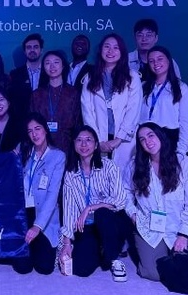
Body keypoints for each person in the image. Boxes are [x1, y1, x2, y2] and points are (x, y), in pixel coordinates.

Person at [60, 125, 128, 281]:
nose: (84, 145)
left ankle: (114, 258)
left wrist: (91, 207)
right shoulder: (71, 173)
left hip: (111, 222)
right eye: (79, 140)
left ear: (96, 145)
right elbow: (69, 208)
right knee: (80, 269)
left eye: (89, 140)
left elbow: (120, 199)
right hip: (88, 226)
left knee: (102, 213)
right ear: (74, 144)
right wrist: (67, 242)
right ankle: (100, 248)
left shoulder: (109, 166)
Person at [124, 122, 188, 281]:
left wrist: (183, 234)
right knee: (153, 273)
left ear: (160, 136)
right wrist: (133, 214)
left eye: (151, 135)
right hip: (149, 228)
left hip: (178, 226)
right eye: (142, 139)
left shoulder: (183, 163)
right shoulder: (135, 165)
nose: (148, 141)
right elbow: (124, 192)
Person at [12, 112, 65, 275]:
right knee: (23, 267)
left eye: (37, 128)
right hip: (23, 213)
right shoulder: (23, 150)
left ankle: (37, 243)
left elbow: (52, 195)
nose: (34, 134)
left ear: (45, 130)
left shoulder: (57, 156)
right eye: (30, 131)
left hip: (43, 215)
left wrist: (37, 226)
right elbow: (4, 169)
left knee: (45, 268)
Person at [81, 33, 142, 173]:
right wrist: (96, 140)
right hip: (99, 138)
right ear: (100, 50)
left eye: (116, 48)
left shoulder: (132, 77)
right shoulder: (90, 77)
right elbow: (87, 111)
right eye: (107, 47)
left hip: (124, 139)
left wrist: (118, 139)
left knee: (125, 179)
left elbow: (133, 110)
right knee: (99, 177)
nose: (110, 51)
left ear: (122, 52)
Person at [30, 50, 81, 154]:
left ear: (63, 66)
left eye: (56, 62)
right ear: (43, 68)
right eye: (47, 63)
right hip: (42, 145)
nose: (52, 66)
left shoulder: (73, 93)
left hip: (67, 145)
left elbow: (78, 122)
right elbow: (31, 122)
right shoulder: (37, 94)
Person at [140, 46, 188, 156]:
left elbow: (185, 122)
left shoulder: (181, 88)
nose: (155, 63)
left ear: (169, 61)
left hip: (169, 139)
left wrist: (181, 150)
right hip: (145, 140)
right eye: (151, 61)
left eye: (160, 59)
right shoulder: (143, 86)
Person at [9, 33, 46, 122]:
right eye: (29, 47)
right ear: (24, 51)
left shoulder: (49, 74)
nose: (32, 50)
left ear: (41, 50)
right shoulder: (15, 75)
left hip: (45, 121)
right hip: (21, 122)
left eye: (35, 47)